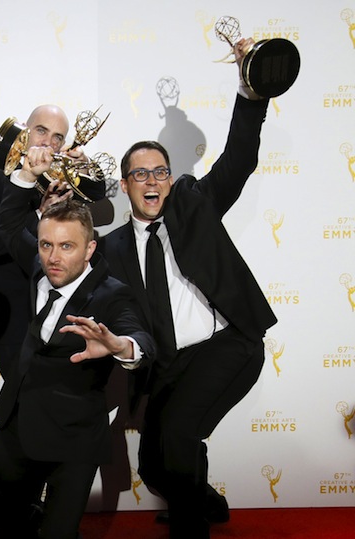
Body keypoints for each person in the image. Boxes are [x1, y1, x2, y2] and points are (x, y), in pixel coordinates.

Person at [99, 38, 278, 539]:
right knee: (154, 467)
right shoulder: (111, 248)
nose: (152, 180)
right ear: (126, 184)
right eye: (141, 174)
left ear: (171, 179)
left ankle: (190, 526)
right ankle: (205, 502)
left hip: (228, 344)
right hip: (169, 363)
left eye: (161, 171)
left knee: (179, 435)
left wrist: (250, 91)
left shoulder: (194, 204)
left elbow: (239, 159)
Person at [0, 156, 154, 538]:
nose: (54, 257)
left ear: (90, 249)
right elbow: (10, 221)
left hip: (73, 440)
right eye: (46, 245)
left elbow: (141, 342)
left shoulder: (112, 295)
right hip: (23, 423)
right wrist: (26, 174)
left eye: (66, 247)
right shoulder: (40, 267)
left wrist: (118, 346)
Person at [0, 104, 109, 378]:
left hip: (56, 319)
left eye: (58, 137)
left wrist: (81, 165)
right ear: (25, 130)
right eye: (41, 131)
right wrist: (38, 214)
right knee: (22, 409)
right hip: (9, 317)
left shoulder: (58, 180)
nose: (48, 142)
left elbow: (98, 191)